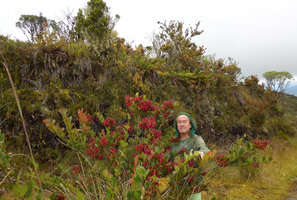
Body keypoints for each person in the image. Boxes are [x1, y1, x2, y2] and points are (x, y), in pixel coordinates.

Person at [170, 112, 210, 200]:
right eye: (179, 122)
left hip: (194, 184)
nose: (182, 124)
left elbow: (205, 149)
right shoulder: (173, 142)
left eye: (184, 122)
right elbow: (167, 161)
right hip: (177, 185)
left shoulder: (196, 139)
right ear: (176, 125)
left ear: (190, 125)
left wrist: (201, 153)